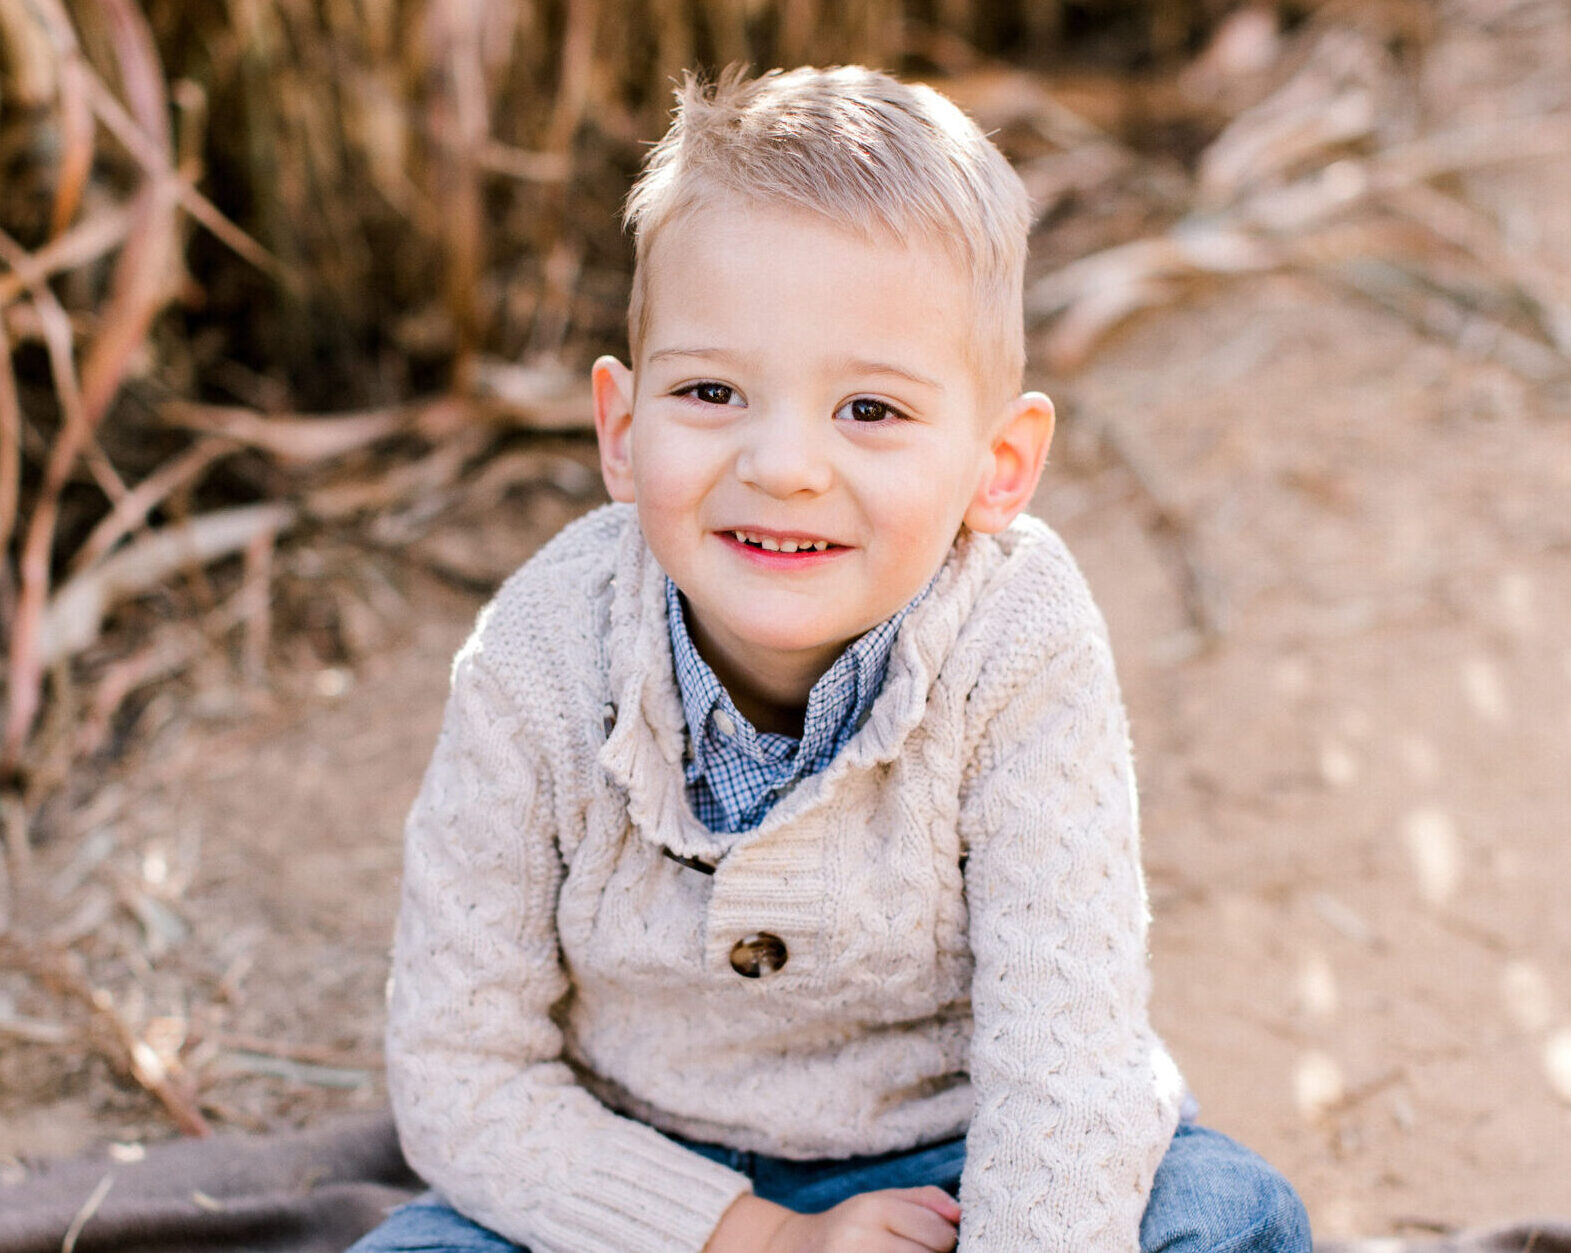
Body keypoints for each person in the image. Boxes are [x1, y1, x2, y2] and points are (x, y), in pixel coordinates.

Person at [349, 65, 1311, 1253]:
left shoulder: (1019, 641)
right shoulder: (539, 657)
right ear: (620, 426)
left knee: (1229, 1217)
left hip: (970, 1154)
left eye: (870, 410)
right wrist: (756, 1237)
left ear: (997, 465)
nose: (785, 464)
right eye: (711, 390)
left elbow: (1067, 1059)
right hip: (644, 1163)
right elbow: (460, 1070)